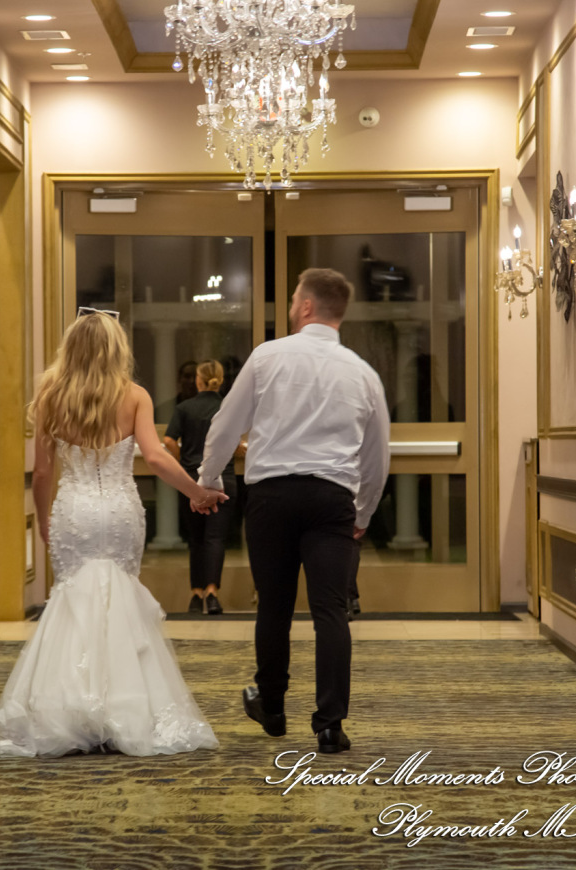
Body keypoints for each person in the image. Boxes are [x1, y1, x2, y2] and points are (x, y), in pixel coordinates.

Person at [0, 308, 225, 758]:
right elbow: (155, 458)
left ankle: (71, 710)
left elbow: (42, 473)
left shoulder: (50, 396)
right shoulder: (134, 395)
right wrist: (196, 492)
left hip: (74, 511)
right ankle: (127, 708)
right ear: (116, 349)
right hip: (119, 510)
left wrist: (43, 520)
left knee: (73, 602)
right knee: (119, 598)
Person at [197, 268, 390, 755]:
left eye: (291, 300)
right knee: (331, 611)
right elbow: (377, 456)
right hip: (332, 502)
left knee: (275, 606)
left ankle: (274, 707)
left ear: (305, 306)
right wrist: (362, 513)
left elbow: (225, 425)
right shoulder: (363, 373)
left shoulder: (268, 357)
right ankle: (330, 725)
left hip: (273, 498)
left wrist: (208, 480)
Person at [164, 360, 238, 616]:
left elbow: (168, 440)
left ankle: (195, 595)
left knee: (196, 540)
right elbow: (236, 442)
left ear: (198, 380)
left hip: (191, 480)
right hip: (224, 479)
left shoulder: (185, 408)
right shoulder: (226, 408)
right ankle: (212, 593)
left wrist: (183, 461)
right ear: (220, 380)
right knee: (215, 538)